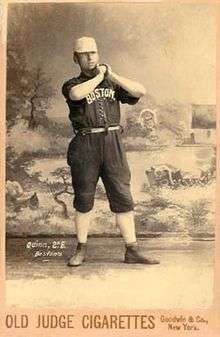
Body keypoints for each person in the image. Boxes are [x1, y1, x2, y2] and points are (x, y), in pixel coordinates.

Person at [62, 36, 159, 266]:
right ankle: (81, 249)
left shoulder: (110, 82)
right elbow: (76, 95)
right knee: (84, 197)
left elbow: (140, 91)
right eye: (84, 54)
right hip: (86, 144)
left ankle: (132, 250)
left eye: (93, 52)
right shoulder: (72, 83)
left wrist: (111, 76)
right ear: (76, 58)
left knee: (122, 195)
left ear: (99, 54)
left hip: (113, 141)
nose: (90, 57)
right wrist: (98, 77)